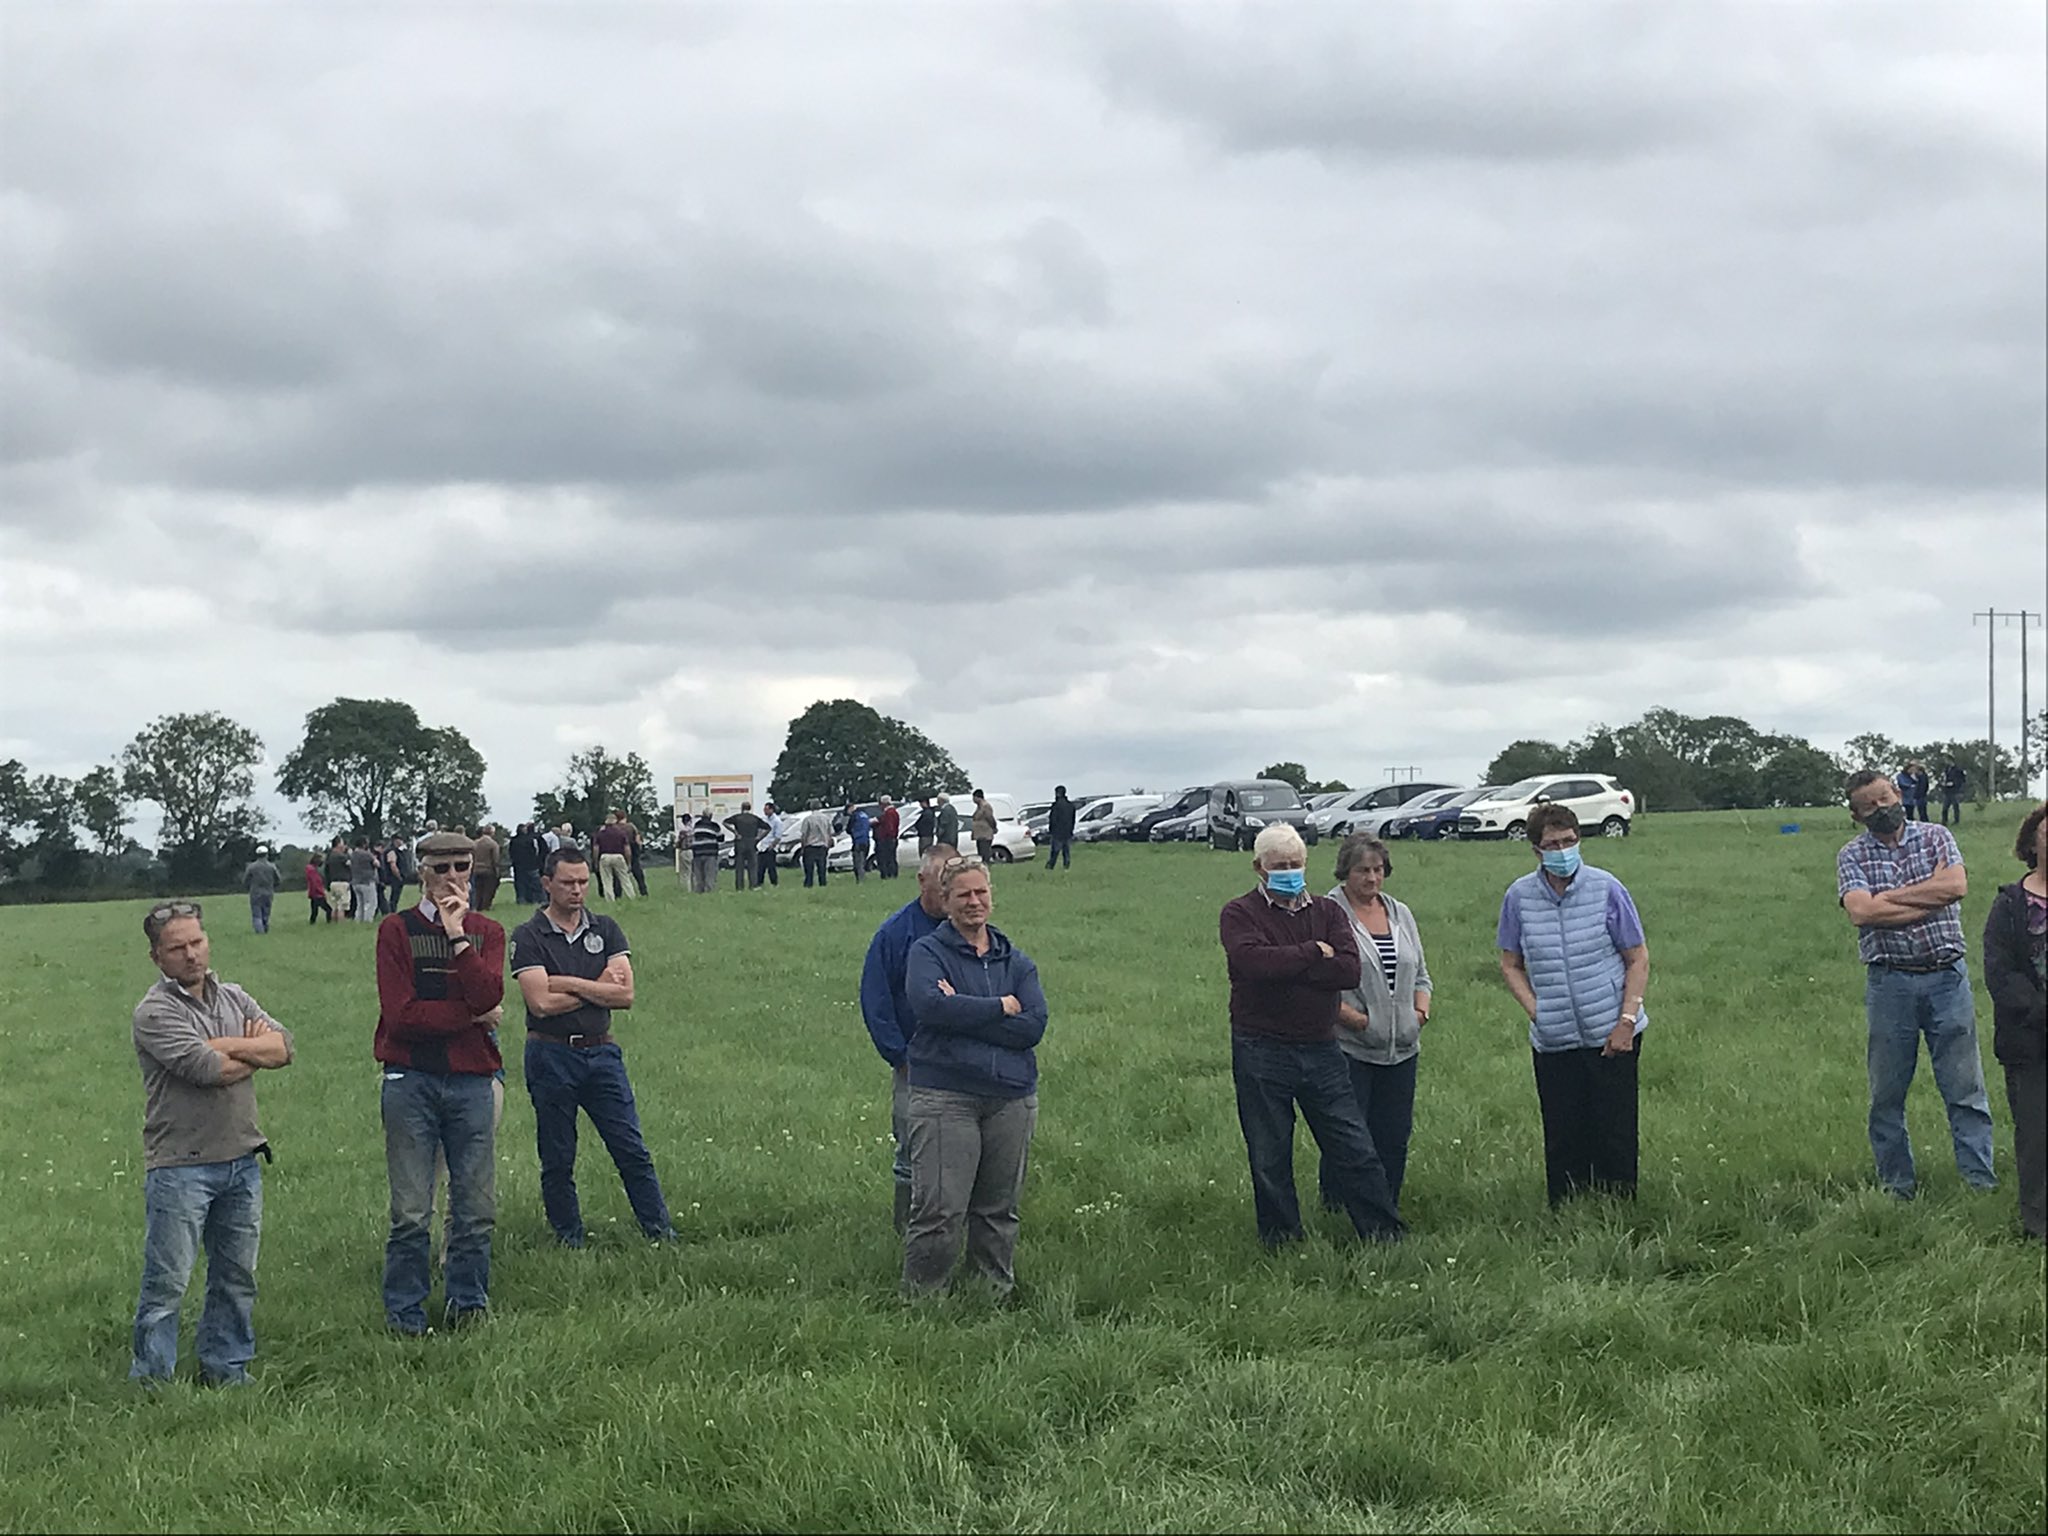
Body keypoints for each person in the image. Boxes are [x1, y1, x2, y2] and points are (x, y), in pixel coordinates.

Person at [129, 900, 294, 1384]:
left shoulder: (234, 996)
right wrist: (245, 1051)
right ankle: (153, 1379)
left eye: (196, 942)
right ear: (157, 958)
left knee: (236, 1277)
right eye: (177, 948)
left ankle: (226, 1367)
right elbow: (207, 1070)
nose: (191, 955)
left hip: (242, 1159)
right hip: (181, 1165)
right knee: (168, 1283)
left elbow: (284, 1047)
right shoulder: (154, 1012)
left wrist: (226, 1046)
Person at [1219, 825, 1404, 1247]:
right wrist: (1311, 953)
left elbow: (1347, 970)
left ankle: (1382, 1232)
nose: (1289, 872)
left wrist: (1289, 965)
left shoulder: (1328, 912)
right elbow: (1252, 964)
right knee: (1269, 1153)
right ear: (1258, 868)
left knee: (1353, 1144)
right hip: (1260, 1047)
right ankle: (1282, 1240)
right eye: (1279, 866)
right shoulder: (1239, 913)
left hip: (1322, 1046)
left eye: (1296, 864)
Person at [1837, 769, 1995, 1200]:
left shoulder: (1936, 836)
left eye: (1885, 796)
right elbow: (1861, 913)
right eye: (1870, 804)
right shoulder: (1851, 855)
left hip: (1948, 978)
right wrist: (1929, 893)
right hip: (1890, 983)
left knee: (1965, 1088)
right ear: (1856, 814)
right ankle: (1897, 1188)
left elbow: (1957, 886)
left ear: (1898, 794)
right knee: (1887, 1094)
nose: (1882, 807)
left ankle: (1979, 1183)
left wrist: (1889, 898)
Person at [373, 830, 506, 1335]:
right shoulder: (395, 930)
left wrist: (456, 937)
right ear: (421, 871)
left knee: (474, 1207)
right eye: (442, 868)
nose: (453, 878)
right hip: (411, 1080)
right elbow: (402, 1016)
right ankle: (405, 1314)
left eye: (462, 868)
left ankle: (466, 1307)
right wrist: (472, 1017)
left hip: (472, 1080)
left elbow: (488, 990)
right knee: (411, 1211)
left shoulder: (487, 933)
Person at [511, 847, 675, 1246]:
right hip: (550, 1054)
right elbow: (541, 1004)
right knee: (558, 1155)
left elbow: (625, 996)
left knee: (630, 1148)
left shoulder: (606, 929)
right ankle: (569, 1238)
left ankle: (660, 1232)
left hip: (601, 1053)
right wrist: (597, 985)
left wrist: (565, 981)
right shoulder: (528, 936)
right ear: (547, 883)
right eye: (568, 882)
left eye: (583, 882)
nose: (578, 890)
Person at [902, 854, 1048, 1299]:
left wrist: (961, 1008)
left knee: (998, 1208)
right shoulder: (926, 952)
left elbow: (1034, 1025)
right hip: (946, 1094)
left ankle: (992, 1292)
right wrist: (1000, 1006)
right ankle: (924, 1297)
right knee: (940, 1208)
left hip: (1010, 1096)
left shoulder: (1016, 960)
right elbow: (930, 1007)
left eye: (980, 892)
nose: (973, 901)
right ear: (944, 901)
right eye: (962, 894)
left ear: (992, 898)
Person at [1498, 803, 1652, 1206]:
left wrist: (1626, 1019)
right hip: (1555, 1036)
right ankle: (1568, 1209)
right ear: (1536, 850)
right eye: (1552, 843)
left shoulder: (1607, 888)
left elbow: (1637, 957)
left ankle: (1619, 1207)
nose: (1563, 850)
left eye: (1569, 841)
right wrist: (1537, 1010)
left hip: (1611, 1030)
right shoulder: (1519, 897)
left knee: (1614, 1128)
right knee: (1564, 1130)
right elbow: (1510, 963)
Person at [1318, 834, 1432, 1217]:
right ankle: (1338, 1211)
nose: (1371, 878)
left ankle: (1386, 1208)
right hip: (1350, 1047)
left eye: (1378, 870)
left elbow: (1422, 975)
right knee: (1349, 1136)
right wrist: (1359, 1021)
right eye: (1362, 870)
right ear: (1345, 872)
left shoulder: (1400, 912)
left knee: (1394, 1136)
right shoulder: (1326, 913)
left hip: (1403, 1047)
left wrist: (1419, 1014)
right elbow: (1319, 981)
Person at [859, 843, 958, 1233]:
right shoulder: (895, 934)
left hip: (965, 1061)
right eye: (942, 884)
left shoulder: (965, 930)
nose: (950, 894)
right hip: (914, 1062)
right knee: (910, 1151)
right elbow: (876, 1000)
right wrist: (899, 1055)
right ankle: (908, 1229)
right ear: (921, 880)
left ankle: (954, 1221)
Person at [1983, 803, 2047, 1241]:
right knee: (2036, 1132)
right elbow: (1999, 970)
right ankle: (2039, 1224)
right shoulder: (2010, 905)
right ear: (2032, 842)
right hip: (2029, 1036)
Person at [592, 812, 635, 901]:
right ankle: (631, 896)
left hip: (605, 856)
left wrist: (595, 861)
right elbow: (627, 848)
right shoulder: (621, 833)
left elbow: (596, 848)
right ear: (615, 821)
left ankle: (610, 899)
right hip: (618, 856)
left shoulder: (600, 833)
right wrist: (629, 862)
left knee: (607, 880)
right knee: (625, 879)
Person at [726, 801, 767, 891]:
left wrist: (735, 833)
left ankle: (739, 887)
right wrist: (759, 838)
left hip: (740, 843)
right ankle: (753, 885)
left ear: (742, 808)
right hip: (752, 843)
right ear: (750, 808)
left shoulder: (737, 817)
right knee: (752, 866)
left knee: (739, 867)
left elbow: (725, 822)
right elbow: (767, 828)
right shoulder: (755, 818)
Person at [242, 846, 280, 935]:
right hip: (269, 893)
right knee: (266, 913)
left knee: (257, 914)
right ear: (267, 855)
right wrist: (273, 886)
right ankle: (265, 929)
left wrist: (248, 887)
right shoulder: (272, 866)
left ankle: (260, 932)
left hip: (255, 893)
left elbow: (245, 880)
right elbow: (278, 879)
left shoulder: (251, 867)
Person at [799, 799, 834, 888]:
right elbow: (830, 833)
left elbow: (804, 835)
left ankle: (809, 884)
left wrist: (803, 847)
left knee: (809, 869)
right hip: (822, 846)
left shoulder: (808, 819)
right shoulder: (826, 818)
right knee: (822, 867)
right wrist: (828, 844)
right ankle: (823, 884)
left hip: (810, 846)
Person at [508, 823, 544, 907]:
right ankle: (536, 899)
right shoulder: (530, 839)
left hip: (518, 866)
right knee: (535, 883)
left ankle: (521, 899)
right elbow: (535, 851)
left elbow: (511, 852)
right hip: (531, 864)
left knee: (520, 884)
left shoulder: (514, 840)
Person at [688, 811, 723, 894]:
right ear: (711, 816)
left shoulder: (697, 825)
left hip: (697, 852)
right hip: (710, 853)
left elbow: (693, 836)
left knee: (699, 875)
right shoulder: (714, 826)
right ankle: (709, 892)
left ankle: (699, 891)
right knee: (710, 875)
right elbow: (721, 838)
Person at [1044, 786, 1077, 872]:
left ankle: (1050, 867)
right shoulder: (1071, 806)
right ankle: (1066, 867)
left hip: (1057, 833)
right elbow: (1073, 820)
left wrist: (1051, 830)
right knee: (1066, 852)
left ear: (1057, 793)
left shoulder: (1056, 806)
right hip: (1067, 832)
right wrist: (1071, 830)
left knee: (1055, 852)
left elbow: (1053, 820)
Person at [470, 824, 501, 911]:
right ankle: (486, 906)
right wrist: (497, 872)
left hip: (476, 869)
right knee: (488, 890)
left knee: (478, 889)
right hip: (488, 869)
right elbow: (495, 859)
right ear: (492, 833)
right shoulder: (493, 844)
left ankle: (477, 906)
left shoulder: (475, 843)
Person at [349, 836, 379, 924]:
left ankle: (358, 920)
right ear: (364, 844)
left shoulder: (352, 855)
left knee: (360, 904)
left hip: (355, 881)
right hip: (367, 881)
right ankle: (367, 921)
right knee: (370, 903)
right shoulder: (367, 854)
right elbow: (377, 864)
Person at [874, 796, 902, 879]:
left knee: (887, 858)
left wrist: (886, 835)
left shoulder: (889, 813)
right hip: (891, 838)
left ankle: (889, 874)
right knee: (891, 857)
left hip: (888, 839)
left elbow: (889, 827)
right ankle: (892, 874)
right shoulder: (893, 812)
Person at [758, 802, 783, 887]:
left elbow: (778, 836)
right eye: (764, 809)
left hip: (770, 847)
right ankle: (759, 883)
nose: (765, 811)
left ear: (772, 810)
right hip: (762, 846)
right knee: (760, 867)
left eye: (767, 809)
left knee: (771, 867)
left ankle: (774, 883)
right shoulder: (764, 819)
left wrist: (772, 846)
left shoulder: (777, 821)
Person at [378, 839, 405, 916]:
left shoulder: (395, 851)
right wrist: (399, 876)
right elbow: (393, 866)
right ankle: (391, 913)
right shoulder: (392, 851)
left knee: (394, 897)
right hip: (393, 878)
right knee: (393, 898)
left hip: (392, 878)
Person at [848, 801, 873, 882]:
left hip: (858, 841)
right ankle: (862, 877)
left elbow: (849, 829)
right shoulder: (864, 815)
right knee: (863, 861)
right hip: (866, 840)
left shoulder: (854, 816)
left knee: (858, 863)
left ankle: (860, 880)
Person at [970, 790, 997, 863]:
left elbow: (990, 818)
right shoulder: (979, 807)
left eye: (974, 798)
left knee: (985, 852)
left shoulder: (985, 806)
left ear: (978, 797)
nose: (973, 800)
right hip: (980, 834)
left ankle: (987, 864)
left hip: (985, 833)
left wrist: (994, 827)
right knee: (981, 852)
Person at [304, 855, 331, 924]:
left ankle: (312, 923)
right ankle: (329, 923)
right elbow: (315, 882)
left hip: (313, 893)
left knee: (314, 911)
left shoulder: (311, 869)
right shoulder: (312, 870)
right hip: (317, 894)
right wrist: (322, 892)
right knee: (328, 909)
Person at [626, 817, 649, 897]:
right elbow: (638, 840)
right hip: (634, 853)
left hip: (620, 853)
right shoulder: (631, 827)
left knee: (620, 876)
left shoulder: (616, 828)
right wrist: (640, 849)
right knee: (639, 875)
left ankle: (618, 894)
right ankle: (643, 892)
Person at [1939, 761, 1968, 826]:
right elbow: (1944, 778)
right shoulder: (1946, 769)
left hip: (1954, 791)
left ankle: (1956, 820)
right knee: (1945, 807)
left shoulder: (1958, 770)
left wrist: (1954, 783)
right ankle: (1944, 821)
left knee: (1955, 806)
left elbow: (1962, 780)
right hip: (1947, 791)